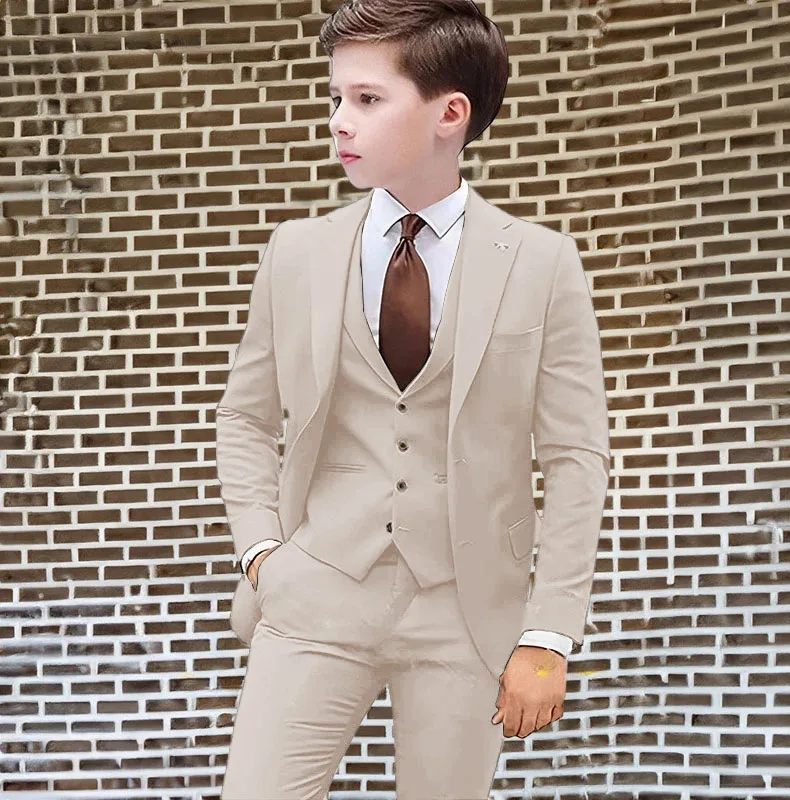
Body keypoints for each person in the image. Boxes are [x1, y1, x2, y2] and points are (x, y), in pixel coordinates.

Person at [217, 1, 610, 797]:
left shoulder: (542, 263)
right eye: (336, 97)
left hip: (467, 610)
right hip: (316, 591)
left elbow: (576, 458)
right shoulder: (296, 252)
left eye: (367, 98)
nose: (339, 120)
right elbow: (245, 416)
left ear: (449, 114)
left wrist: (549, 632)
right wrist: (261, 553)